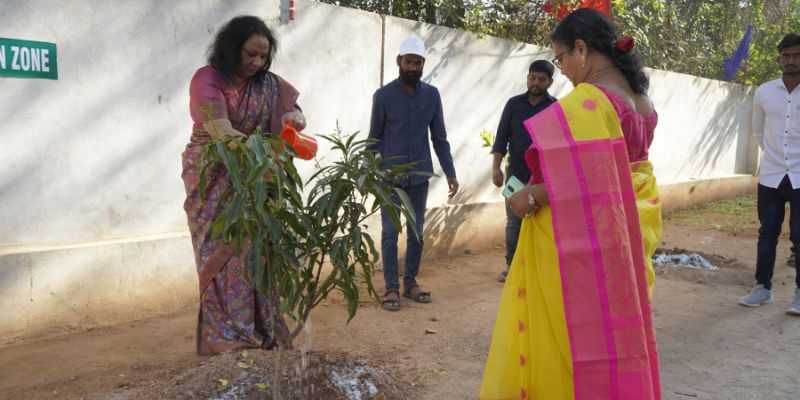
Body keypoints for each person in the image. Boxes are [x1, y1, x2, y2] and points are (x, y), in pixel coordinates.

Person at [480, 8, 662, 399]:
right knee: (616, 329)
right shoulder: (642, 100)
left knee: (568, 332)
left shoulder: (588, 102)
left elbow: (586, 180)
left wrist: (529, 196)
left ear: (581, 49)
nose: (562, 70)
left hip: (589, 238)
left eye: (561, 59)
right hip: (630, 230)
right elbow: (619, 175)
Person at [181, 16, 306, 355]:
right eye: (251, 54)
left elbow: (292, 111)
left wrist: (294, 119)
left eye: (263, 56)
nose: (257, 63)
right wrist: (263, 154)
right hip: (214, 178)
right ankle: (228, 340)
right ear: (232, 48)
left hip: (258, 179)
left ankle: (263, 332)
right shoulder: (207, 79)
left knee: (260, 253)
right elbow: (222, 132)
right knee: (221, 255)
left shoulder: (268, 84)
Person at [368, 36, 459, 311]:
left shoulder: (432, 95)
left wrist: (450, 172)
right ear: (399, 61)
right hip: (390, 179)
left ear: (423, 64)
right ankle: (391, 288)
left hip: (419, 178)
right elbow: (373, 139)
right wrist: (368, 175)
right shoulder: (383, 96)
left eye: (418, 63)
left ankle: (410, 283)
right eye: (408, 61)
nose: (413, 67)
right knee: (389, 233)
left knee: (417, 232)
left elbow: (439, 138)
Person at [739, 33, 800, 315]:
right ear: (779, 59)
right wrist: (775, 158)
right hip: (772, 175)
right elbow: (759, 131)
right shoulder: (764, 92)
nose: (791, 61)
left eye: (796, 55)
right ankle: (762, 288)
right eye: (786, 56)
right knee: (767, 234)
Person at [491, 60, 557, 283]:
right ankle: (512, 267)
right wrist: (496, 168)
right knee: (514, 223)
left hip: (543, 179)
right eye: (532, 78)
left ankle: (535, 269)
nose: (535, 82)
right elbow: (502, 138)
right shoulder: (513, 105)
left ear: (550, 82)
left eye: (541, 79)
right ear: (527, 78)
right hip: (516, 176)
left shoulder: (555, 108)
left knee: (541, 225)